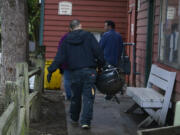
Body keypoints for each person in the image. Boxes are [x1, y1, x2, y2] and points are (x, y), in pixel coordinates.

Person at [47, 19, 105, 129]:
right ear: (80, 26)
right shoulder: (89, 36)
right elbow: (98, 52)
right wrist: (102, 65)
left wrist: (51, 70)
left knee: (75, 97)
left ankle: (74, 118)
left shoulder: (66, 39)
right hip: (89, 71)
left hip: (74, 72)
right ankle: (85, 122)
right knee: (89, 97)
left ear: (70, 28)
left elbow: (59, 57)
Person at [99, 20, 124, 100]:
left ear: (109, 26)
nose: (104, 27)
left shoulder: (105, 35)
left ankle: (108, 93)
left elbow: (100, 47)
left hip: (106, 59)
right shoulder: (119, 35)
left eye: (105, 26)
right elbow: (121, 48)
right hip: (116, 60)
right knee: (114, 77)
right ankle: (112, 92)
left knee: (106, 78)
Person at [58, 33, 71, 100]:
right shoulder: (80, 37)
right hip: (76, 63)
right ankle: (68, 94)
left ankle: (66, 94)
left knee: (65, 79)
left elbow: (60, 49)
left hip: (65, 62)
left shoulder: (64, 37)